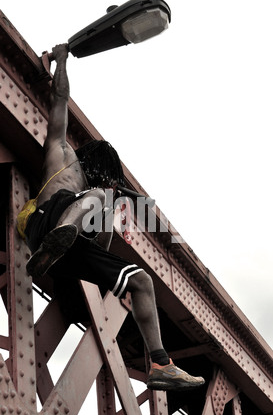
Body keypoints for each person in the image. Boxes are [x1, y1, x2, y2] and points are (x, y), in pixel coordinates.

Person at [20, 44, 205, 392]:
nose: (105, 183)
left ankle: (161, 364)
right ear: (96, 163)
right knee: (101, 198)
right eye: (104, 174)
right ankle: (58, 238)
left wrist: (105, 217)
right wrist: (61, 61)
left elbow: (101, 246)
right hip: (47, 221)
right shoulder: (62, 156)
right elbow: (59, 102)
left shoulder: (98, 197)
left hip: (69, 248)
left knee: (142, 281)